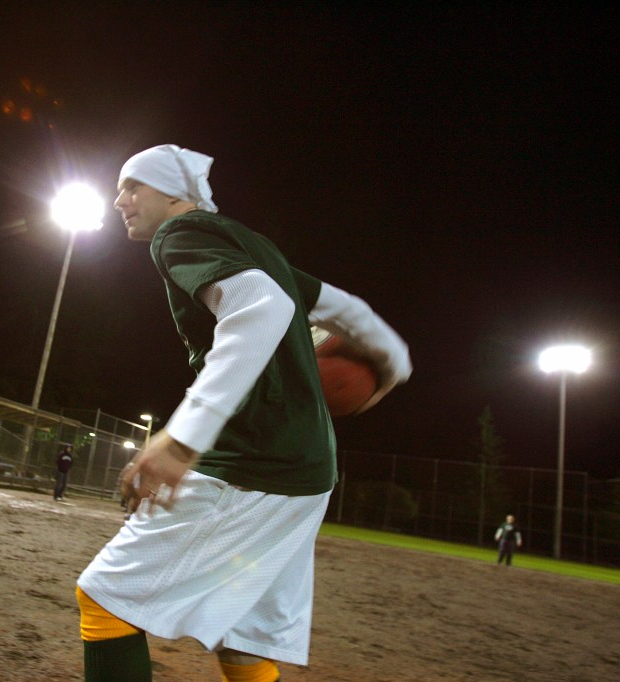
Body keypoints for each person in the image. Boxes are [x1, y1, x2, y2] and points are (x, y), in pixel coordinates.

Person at [75, 144, 412, 681]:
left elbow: (263, 307)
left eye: (132, 185)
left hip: (253, 461)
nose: (120, 200)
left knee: (107, 599)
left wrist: (183, 438)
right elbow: (349, 311)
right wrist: (392, 369)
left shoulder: (176, 235)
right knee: (243, 640)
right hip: (306, 468)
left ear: (173, 193)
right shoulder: (253, 244)